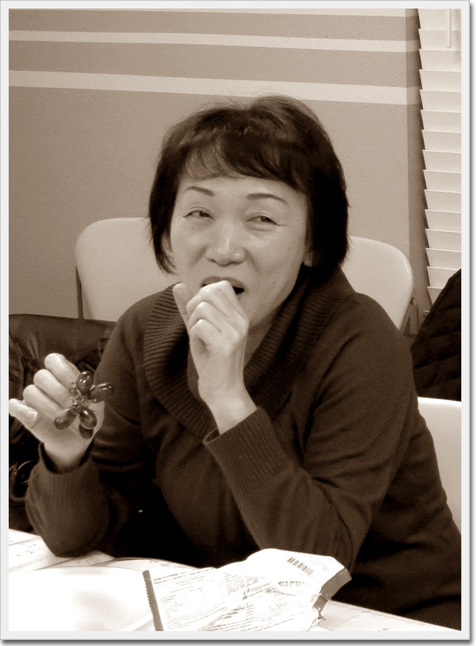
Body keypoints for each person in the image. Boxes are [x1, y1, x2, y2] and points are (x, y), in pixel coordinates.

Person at [9, 95, 461, 629]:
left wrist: (227, 398)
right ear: (167, 230)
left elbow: (317, 559)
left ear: (312, 243)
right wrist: (66, 459)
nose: (223, 248)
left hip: (388, 616)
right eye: (199, 213)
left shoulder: (360, 341)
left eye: (262, 218)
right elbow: (75, 540)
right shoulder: (145, 331)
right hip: (225, 609)